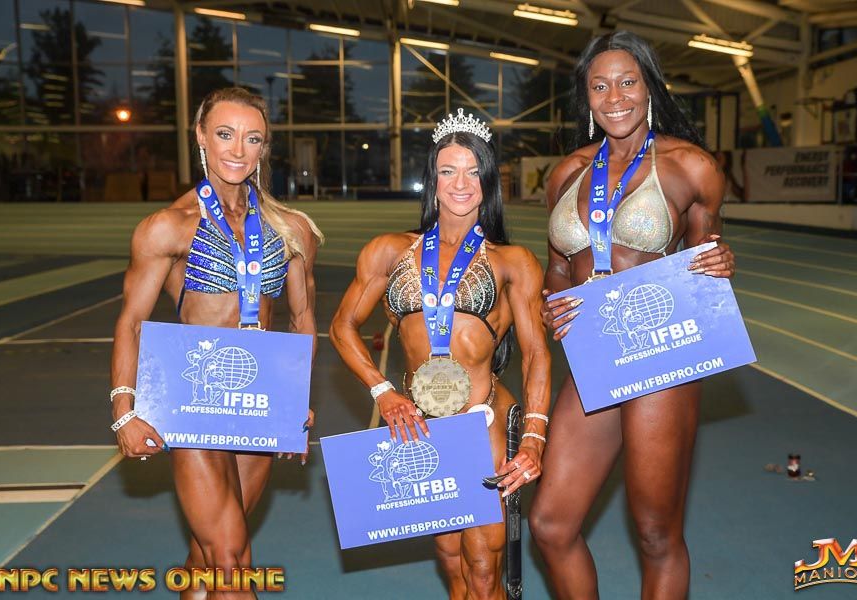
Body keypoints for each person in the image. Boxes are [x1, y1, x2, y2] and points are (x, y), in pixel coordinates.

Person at [528, 31, 736, 599]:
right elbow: (557, 268)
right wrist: (551, 306)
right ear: (586, 97)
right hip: (594, 356)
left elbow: (706, 260)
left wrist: (721, 262)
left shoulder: (691, 166)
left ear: (649, 89)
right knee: (550, 524)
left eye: (627, 82)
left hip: (660, 356)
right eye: (600, 86)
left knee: (655, 534)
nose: (614, 97)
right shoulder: (565, 173)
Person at [109, 87, 322, 599]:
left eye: (253, 139)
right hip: (193, 402)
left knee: (207, 558)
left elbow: (303, 319)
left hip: (257, 405)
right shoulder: (169, 227)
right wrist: (123, 410)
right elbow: (132, 322)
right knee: (231, 560)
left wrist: (292, 400)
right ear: (201, 136)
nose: (238, 150)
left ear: (264, 147)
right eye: (225, 134)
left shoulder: (291, 229)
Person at [329, 109, 551, 599]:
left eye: (473, 171)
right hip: (422, 429)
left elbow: (536, 354)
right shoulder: (388, 251)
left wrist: (534, 438)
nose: (461, 183)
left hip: (484, 421)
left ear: (488, 181)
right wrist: (384, 392)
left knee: (484, 571)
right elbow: (342, 327)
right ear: (433, 180)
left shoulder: (514, 262)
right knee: (451, 562)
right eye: (449, 170)